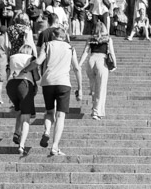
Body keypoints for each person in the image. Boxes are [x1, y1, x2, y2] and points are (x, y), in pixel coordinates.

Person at [34, 26, 82, 157]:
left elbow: (39, 61)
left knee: (50, 112)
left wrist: (26, 70)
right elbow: (77, 68)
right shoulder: (70, 48)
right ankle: (54, 147)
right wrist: (80, 88)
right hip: (64, 84)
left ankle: (47, 131)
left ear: (53, 36)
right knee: (60, 116)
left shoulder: (47, 45)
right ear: (64, 36)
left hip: (48, 82)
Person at [7, 44, 40, 156]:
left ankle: (17, 132)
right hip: (24, 84)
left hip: (11, 85)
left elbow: (8, 72)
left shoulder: (12, 57)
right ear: (30, 51)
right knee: (26, 116)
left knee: (20, 109)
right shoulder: (31, 58)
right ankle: (22, 145)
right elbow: (36, 77)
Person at [79, 23, 115, 120]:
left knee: (94, 87)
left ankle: (95, 108)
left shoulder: (90, 39)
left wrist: (79, 64)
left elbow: (85, 52)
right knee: (101, 88)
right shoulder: (107, 39)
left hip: (91, 60)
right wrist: (114, 65)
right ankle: (96, 112)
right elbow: (111, 52)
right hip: (101, 61)